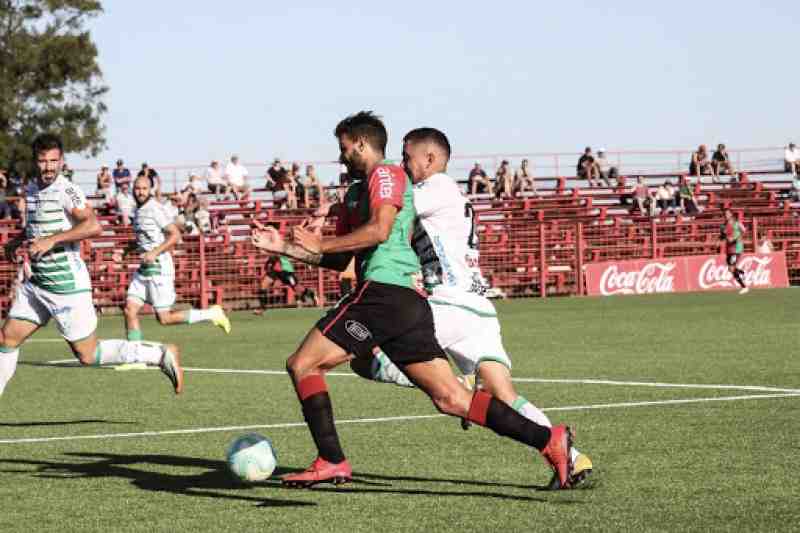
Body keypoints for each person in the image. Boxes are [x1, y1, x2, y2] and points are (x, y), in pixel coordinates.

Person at [250, 111, 574, 490]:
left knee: (304, 364)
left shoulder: (386, 175)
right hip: (407, 301)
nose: (340, 158)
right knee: (452, 398)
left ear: (361, 143)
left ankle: (332, 460)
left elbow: (380, 230)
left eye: (343, 148)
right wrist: (285, 247)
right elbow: (341, 259)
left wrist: (320, 239)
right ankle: (549, 439)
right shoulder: (358, 191)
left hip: (385, 294)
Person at [347, 127, 592, 489]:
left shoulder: (434, 189)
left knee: (362, 355)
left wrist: (346, 203)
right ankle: (572, 458)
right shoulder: (450, 194)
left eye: (406, 156)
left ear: (429, 159)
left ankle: (457, 381)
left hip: (448, 302)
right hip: (478, 306)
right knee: (503, 394)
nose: (400, 165)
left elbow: (389, 209)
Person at [0, 134, 184, 397]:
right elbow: (36, 227)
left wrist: (52, 241)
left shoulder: (67, 190)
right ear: (35, 161)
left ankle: (160, 354)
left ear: (61, 161)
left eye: (54, 161)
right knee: (7, 339)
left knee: (88, 354)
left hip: (66, 287)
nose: (49, 167)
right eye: (43, 161)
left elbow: (93, 225)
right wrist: (16, 241)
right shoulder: (31, 189)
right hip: (37, 285)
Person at [119, 176, 231, 341]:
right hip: (144, 269)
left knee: (164, 318)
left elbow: (175, 234)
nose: (140, 192)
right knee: (129, 310)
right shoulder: (138, 210)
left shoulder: (154, 209)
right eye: (137, 188)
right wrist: (125, 251)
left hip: (159, 268)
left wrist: (154, 252)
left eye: (144, 188)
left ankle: (212, 313)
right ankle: (136, 357)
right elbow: (143, 240)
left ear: (150, 190)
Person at [253, 255, 319, 315]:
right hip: (275, 270)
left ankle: (311, 294)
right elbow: (271, 257)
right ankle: (262, 307)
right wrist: (267, 265)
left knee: (297, 288)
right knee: (263, 285)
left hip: (286, 271)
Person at [720, 208, 748, 294]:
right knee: (730, 269)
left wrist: (736, 238)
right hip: (729, 248)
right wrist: (723, 236)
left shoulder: (736, 223)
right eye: (725, 214)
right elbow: (722, 237)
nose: (726, 216)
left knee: (731, 268)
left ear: (731, 214)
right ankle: (741, 272)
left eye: (727, 214)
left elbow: (744, 230)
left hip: (736, 248)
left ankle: (744, 287)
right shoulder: (723, 226)